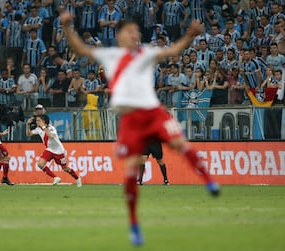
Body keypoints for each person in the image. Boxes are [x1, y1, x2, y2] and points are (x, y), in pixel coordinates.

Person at [60, 12, 220, 246]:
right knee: (131, 171)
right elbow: (80, 48)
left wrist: (189, 35)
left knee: (179, 143)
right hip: (131, 120)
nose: (135, 34)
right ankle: (134, 224)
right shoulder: (111, 54)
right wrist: (66, 27)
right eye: (130, 31)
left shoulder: (146, 52)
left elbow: (173, 51)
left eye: (136, 31)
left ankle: (209, 180)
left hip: (154, 112)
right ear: (119, 35)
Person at [25, 114, 82, 187]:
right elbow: (28, 134)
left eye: (38, 120)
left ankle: (77, 178)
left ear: (44, 121)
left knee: (65, 168)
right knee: (40, 164)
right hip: (50, 150)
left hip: (59, 151)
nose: (36, 122)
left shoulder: (51, 128)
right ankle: (55, 177)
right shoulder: (39, 129)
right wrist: (27, 125)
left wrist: (43, 126)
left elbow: (50, 135)